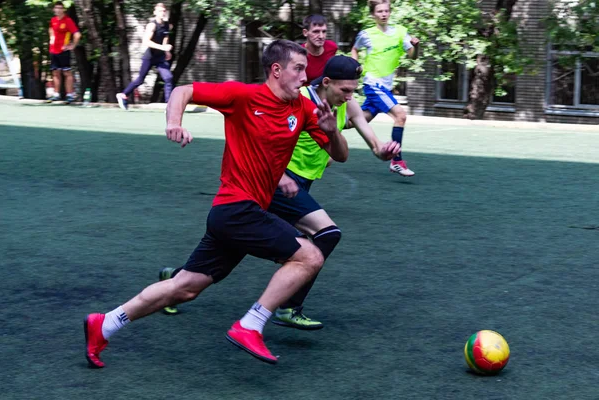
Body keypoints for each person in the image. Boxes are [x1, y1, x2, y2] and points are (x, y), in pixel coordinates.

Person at [84, 39, 349, 368]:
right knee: (309, 255)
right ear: (276, 70)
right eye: (298, 69)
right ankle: (250, 325)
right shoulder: (243, 96)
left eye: (306, 70)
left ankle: (104, 324)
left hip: (241, 214)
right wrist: (173, 123)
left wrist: (332, 131)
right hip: (237, 209)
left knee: (185, 288)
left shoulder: (304, 108)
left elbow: (341, 155)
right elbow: (183, 90)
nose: (304, 76)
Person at [159, 56, 401, 330]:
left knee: (233, 248)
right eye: (345, 90)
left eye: (353, 90)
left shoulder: (346, 105)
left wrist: (384, 152)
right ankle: (286, 306)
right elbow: (266, 138)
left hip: (297, 186)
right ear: (327, 83)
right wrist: (280, 176)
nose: (349, 96)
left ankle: (177, 278)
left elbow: (370, 148)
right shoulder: (298, 99)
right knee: (326, 234)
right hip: (278, 183)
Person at [351, 0, 419, 177]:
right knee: (400, 116)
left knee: (354, 121)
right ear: (373, 14)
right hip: (373, 85)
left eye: (386, 11)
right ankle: (397, 161)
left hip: (385, 87)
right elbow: (355, 48)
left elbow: (412, 55)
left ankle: (325, 125)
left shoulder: (400, 32)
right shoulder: (366, 34)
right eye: (379, 11)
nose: (383, 14)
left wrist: (415, 46)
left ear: (390, 12)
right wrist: (354, 66)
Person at [116, 3, 173, 110]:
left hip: (160, 57)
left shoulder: (166, 24)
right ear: (155, 12)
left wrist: (166, 51)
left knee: (168, 78)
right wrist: (162, 48)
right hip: (150, 57)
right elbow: (146, 41)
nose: (162, 13)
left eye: (164, 11)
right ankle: (123, 95)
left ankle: (169, 106)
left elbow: (165, 36)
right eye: (160, 11)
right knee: (140, 79)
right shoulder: (152, 25)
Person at [47, 1, 81, 103]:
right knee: (55, 72)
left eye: (60, 8)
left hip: (63, 51)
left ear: (63, 10)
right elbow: (51, 29)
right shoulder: (53, 20)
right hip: (53, 50)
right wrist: (51, 38)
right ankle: (56, 94)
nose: (57, 10)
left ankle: (69, 95)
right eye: (56, 8)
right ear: (54, 9)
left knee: (67, 72)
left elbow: (77, 34)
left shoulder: (68, 21)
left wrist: (72, 45)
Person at [301, 14, 338, 84]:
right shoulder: (299, 54)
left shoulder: (332, 47)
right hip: (305, 92)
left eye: (324, 32)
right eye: (316, 31)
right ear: (305, 33)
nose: (321, 36)